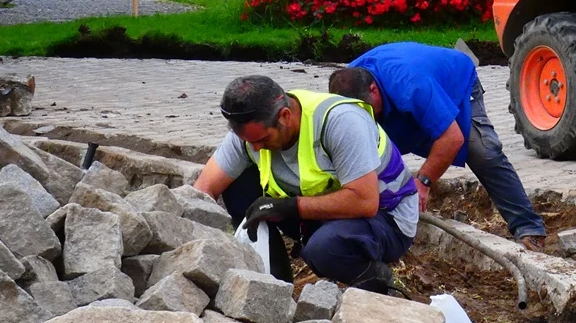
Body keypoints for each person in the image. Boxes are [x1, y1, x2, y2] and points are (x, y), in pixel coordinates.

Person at [193, 75, 419, 292]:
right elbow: (203, 190)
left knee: (324, 248)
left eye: (262, 140)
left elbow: (365, 202)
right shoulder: (252, 131)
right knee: (236, 184)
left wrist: (287, 207)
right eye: (249, 142)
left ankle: (377, 281)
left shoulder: (340, 122)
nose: (256, 148)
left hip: (386, 217)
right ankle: (274, 286)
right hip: (319, 213)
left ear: (284, 115)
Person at [328, 42, 547, 250]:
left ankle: (529, 229)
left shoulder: (411, 85)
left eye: (367, 111)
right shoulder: (349, 87)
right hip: (408, 91)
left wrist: (423, 182)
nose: (365, 119)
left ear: (373, 90)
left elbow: (452, 139)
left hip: (456, 86)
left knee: (482, 152)